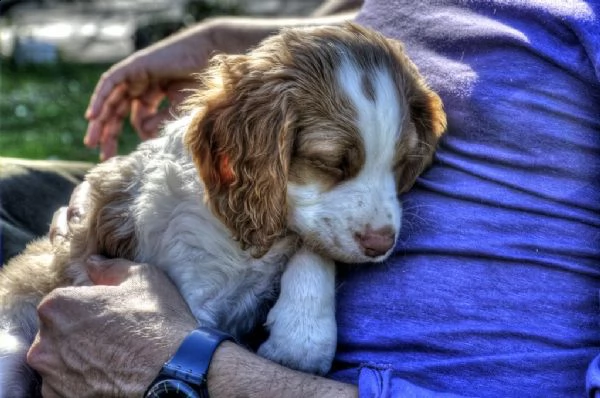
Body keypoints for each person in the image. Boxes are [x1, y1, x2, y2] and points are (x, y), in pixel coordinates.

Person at [20, 0, 600, 396]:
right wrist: (228, 41)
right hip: (225, 216)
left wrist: (184, 372)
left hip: (241, 361)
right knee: (15, 197)